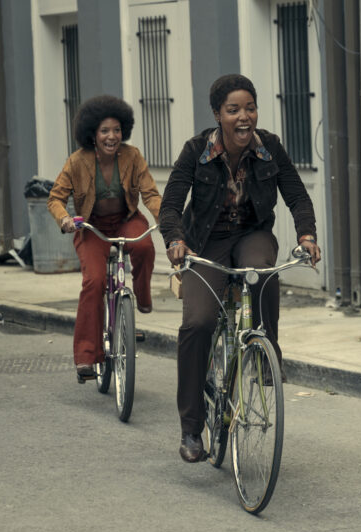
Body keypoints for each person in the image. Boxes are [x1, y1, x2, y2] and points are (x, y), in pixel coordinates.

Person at [159, 74, 321, 463]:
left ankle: (266, 357)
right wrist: (175, 239)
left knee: (263, 273)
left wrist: (307, 236)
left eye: (250, 107)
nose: (244, 116)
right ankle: (191, 428)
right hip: (206, 243)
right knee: (198, 323)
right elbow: (170, 204)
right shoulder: (196, 151)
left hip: (252, 234)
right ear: (218, 114)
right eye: (233, 110)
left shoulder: (271, 148)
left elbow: (297, 195)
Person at [48, 95, 162, 382]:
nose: (112, 136)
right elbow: (55, 198)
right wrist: (64, 219)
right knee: (94, 282)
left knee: (145, 245)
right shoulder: (77, 162)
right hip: (91, 227)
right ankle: (87, 356)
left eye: (116, 130)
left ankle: (142, 296)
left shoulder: (132, 156)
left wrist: (165, 217)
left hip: (126, 220)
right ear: (92, 134)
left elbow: (149, 193)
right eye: (104, 131)